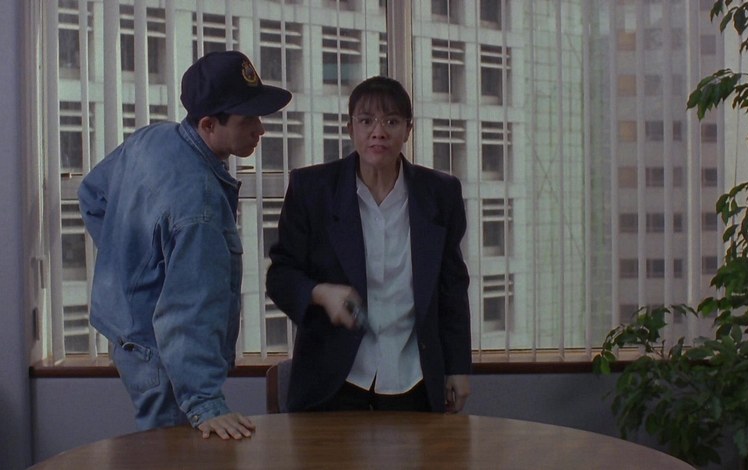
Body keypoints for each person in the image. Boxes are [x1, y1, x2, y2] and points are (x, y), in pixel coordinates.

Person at [78, 50, 291, 439]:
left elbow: (92, 194)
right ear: (209, 124)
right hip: (163, 359)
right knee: (173, 456)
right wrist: (204, 402)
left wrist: (130, 263)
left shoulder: (154, 138)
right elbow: (190, 310)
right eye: (247, 120)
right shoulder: (200, 204)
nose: (260, 129)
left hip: (128, 337)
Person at [266, 76, 471, 413]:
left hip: (413, 375)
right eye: (366, 121)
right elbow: (281, 276)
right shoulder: (313, 189)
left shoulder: (439, 194)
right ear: (351, 129)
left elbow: (452, 286)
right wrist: (321, 293)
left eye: (391, 121)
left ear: (408, 130)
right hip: (334, 376)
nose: (378, 132)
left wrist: (458, 366)